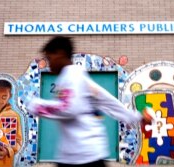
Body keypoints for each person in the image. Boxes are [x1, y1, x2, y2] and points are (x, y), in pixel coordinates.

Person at [27, 36, 152, 167]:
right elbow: (106, 100)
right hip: (73, 155)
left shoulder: (72, 76)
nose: (48, 63)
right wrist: (136, 117)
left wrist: (36, 105)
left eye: (49, 58)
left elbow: (69, 109)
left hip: (85, 156)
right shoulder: (73, 77)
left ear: (60, 54)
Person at [0, 80, 23, 167]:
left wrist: (7, 150)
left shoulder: (13, 116)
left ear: (10, 96)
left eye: (4, 97)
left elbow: (18, 142)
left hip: (5, 163)